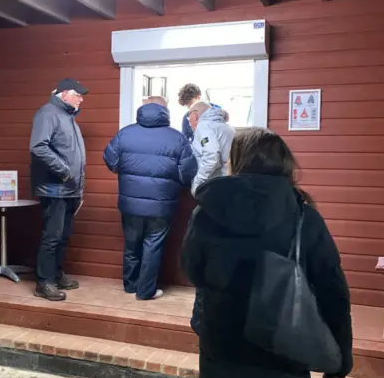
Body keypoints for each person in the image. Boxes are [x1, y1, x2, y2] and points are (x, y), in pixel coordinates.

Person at [181, 127, 353, 378]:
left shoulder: (208, 210)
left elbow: (193, 269)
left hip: (222, 346)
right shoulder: (304, 216)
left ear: (236, 162)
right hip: (285, 348)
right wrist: (338, 366)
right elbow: (333, 294)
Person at [103, 98, 197, 300]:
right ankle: (145, 291)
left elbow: (110, 160)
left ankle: (130, 285)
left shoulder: (125, 133)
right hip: (162, 204)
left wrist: (124, 172)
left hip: (130, 203)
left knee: (131, 244)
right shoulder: (177, 138)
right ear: (165, 112)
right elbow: (188, 172)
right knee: (153, 245)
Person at [29, 78, 88, 301]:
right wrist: (64, 171)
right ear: (64, 94)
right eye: (78, 95)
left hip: (69, 190)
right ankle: (44, 282)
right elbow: (38, 147)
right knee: (52, 237)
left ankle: (54, 274)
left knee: (62, 236)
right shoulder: (48, 113)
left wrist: (76, 185)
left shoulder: (67, 117)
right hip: (54, 189)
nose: (81, 99)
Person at [187, 101, 235, 194]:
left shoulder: (204, 126)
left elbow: (211, 157)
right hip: (227, 180)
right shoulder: (227, 127)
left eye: (189, 116)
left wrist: (198, 182)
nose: (189, 120)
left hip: (213, 184)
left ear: (195, 115)